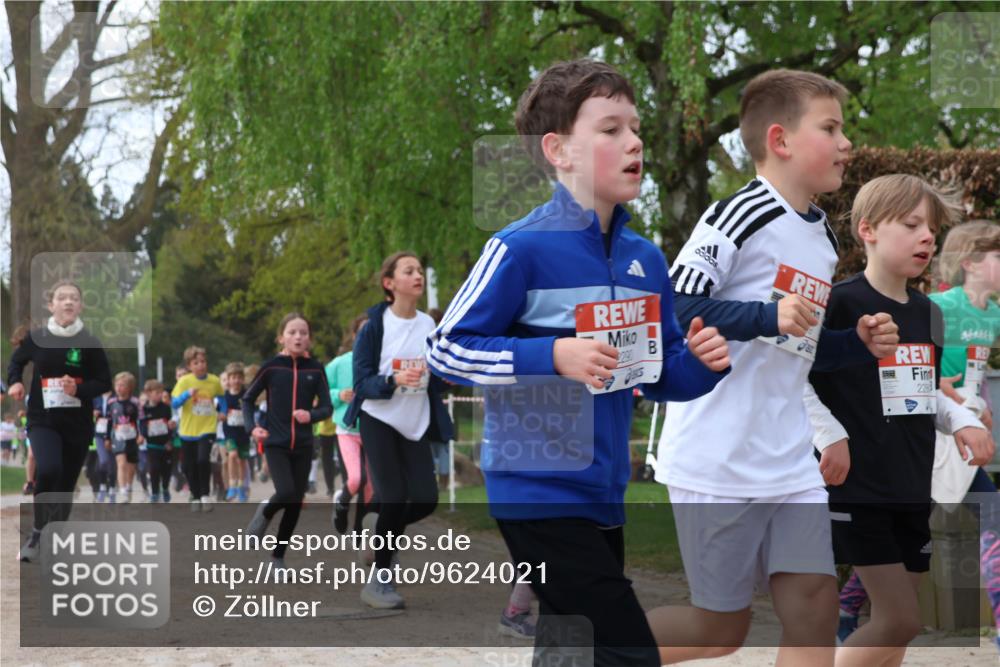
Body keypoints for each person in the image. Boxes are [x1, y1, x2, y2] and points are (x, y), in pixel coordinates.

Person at [426, 59, 730, 664]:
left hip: (604, 492)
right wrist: (553, 354)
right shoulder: (518, 248)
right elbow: (446, 349)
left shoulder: (647, 260)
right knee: (626, 651)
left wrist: (699, 364)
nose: (634, 141)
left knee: (572, 652)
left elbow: (658, 373)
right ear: (558, 150)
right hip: (535, 491)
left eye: (635, 127)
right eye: (611, 129)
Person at [647, 69, 901, 665]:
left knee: (814, 607)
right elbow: (674, 305)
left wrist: (856, 343)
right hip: (719, 458)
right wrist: (765, 315)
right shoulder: (740, 213)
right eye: (830, 128)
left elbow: (798, 346)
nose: (846, 143)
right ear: (780, 140)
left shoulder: (823, 236)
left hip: (788, 460)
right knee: (719, 630)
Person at [805, 174, 993, 666]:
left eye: (931, 229)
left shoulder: (929, 313)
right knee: (901, 619)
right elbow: (792, 381)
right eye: (911, 225)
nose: (926, 237)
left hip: (911, 484)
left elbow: (925, 393)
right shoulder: (840, 302)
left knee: (896, 635)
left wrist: (963, 421)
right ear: (867, 229)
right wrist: (829, 435)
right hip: (857, 488)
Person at [345, 252, 455, 610]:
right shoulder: (374, 327)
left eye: (420, 270)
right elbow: (361, 384)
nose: (418, 275)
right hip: (379, 419)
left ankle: (378, 530)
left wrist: (446, 378)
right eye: (409, 271)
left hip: (414, 421)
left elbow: (434, 376)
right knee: (393, 496)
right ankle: (378, 581)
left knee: (425, 499)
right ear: (389, 283)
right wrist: (393, 380)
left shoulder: (429, 325)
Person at [7, 280, 111, 561]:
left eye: (74, 298)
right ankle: (37, 533)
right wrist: (15, 382)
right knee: (49, 469)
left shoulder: (89, 342)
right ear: (51, 305)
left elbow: (104, 381)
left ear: (81, 306)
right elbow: (16, 362)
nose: (68, 302)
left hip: (77, 424)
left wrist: (79, 388)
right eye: (62, 298)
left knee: (65, 484)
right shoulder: (37, 338)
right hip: (43, 419)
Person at [244, 313, 333, 569]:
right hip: (276, 443)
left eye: (303, 333)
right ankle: (265, 512)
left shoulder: (315, 369)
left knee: (295, 502)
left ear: (309, 339)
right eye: (292, 332)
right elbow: (248, 399)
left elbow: (327, 407)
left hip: (304, 444)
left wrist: (311, 415)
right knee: (285, 492)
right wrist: (253, 428)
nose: (298, 337)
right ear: (281, 337)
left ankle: (277, 558)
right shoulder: (271, 367)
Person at [327, 314, 374, 534]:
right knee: (356, 478)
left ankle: (360, 532)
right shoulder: (339, 363)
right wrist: (338, 394)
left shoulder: (381, 363)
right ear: (354, 335)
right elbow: (321, 392)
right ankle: (342, 503)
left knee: (370, 488)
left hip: (374, 430)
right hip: (347, 430)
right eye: (363, 331)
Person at [171, 346, 224, 512]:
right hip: (187, 431)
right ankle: (195, 495)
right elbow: (174, 404)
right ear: (189, 366)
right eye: (196, 363)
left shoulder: (214, 381)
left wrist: (222, 411)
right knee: (189, 466)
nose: (201, 365)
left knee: (202, 460)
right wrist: (186, 394)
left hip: (207, 428)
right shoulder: (184, 382)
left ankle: (205, 495)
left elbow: (222, 398)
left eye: (203, 361)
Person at [106, 372, 143, 504]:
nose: (119, 388)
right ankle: (122, 492)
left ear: (129, 387)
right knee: (121, 463)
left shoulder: (135, 402)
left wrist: (141, 435)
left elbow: (141, 420)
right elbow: (109, 421)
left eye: (122, 385)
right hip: (118, 437)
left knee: (131, 465)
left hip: (132, 437)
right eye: (117, 385)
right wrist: (107, 438)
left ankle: (128, 486)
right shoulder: (111, 402)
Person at [217, 362, 251, 502]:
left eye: (239, 377)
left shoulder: (246, 395)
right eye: (233, 377)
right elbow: (218, 412)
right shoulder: (224, 396)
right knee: (232, 455)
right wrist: (221, 415)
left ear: (242, 379)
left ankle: (241, 487)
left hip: (244, 433)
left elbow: (252, 409)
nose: (236, 380)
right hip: (230, 433)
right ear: (229, 379)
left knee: (242, 461)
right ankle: (232, 485)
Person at [140, 379, 175, 503]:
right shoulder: (143, 409)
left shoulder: (166, 408)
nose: (160, 395)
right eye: (157, 393)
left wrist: (170, 439)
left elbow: (171, 424)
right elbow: (141, 425)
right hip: (152, 445)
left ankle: (165, 488)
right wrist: (141, 435)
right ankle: (155, 493)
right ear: (148, 393)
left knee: (166, 470)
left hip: (166, 445)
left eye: (161, 393)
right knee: (154, 469)